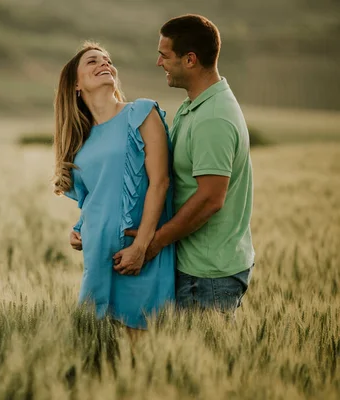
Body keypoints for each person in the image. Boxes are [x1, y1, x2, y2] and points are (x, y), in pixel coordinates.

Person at [127, 15, 255, 314]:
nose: (159, 63)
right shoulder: (196, 104)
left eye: (164, 55)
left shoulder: (213, 118)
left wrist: (154, 242)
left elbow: (210, 198)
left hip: (207, 274)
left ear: (190, 60)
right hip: (200, 268)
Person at [53, 41, 175, 335]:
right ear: (76, 85)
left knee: (140, 348)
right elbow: (96, 196)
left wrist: (141, 248)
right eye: (92, 62)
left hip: (140, 257)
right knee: (98, 350)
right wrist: (81, 228)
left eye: (107, 60)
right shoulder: (81, 141)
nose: (104, 64)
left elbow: (160, 183)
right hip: (99, 258)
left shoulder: (142, 113)